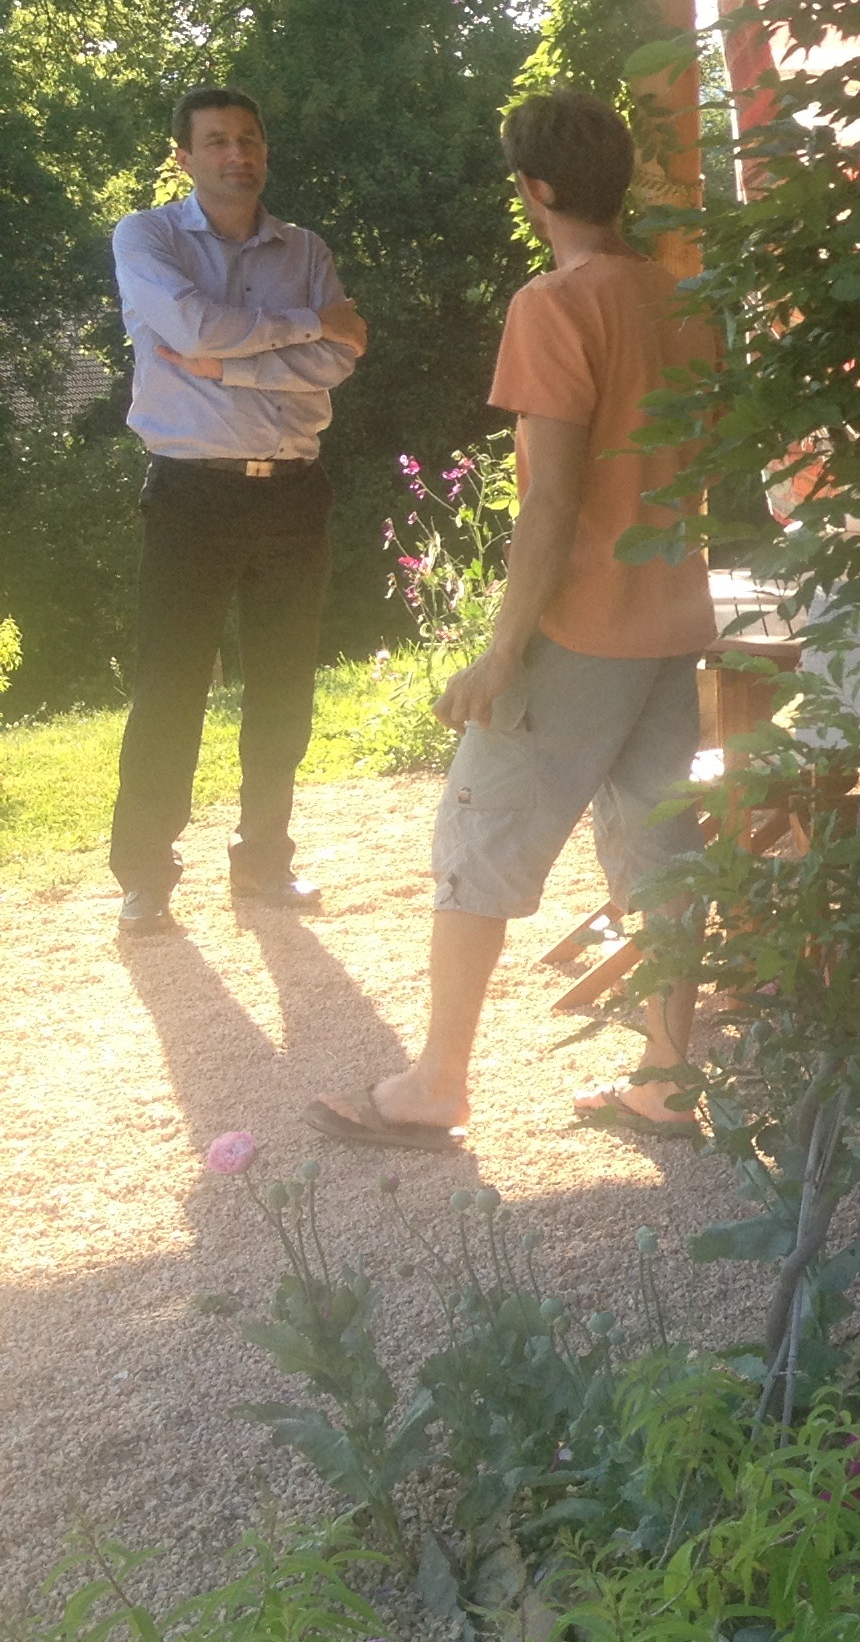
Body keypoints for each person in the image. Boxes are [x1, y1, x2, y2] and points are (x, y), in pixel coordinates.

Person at [310, 90, 715, 1150]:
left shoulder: (554, 304)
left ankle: (438, 1082)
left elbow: (551, 498)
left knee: (478, 839)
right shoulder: (681, 300)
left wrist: (500, 653)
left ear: (534, 190)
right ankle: (671, 1085)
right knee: (665, 850)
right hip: (674, 620)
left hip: (581, 628)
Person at [108, 85, 370, 935]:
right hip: (191, 494)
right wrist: (298, 324)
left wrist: (234, 365)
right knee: (170, 688)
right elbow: (189, 323)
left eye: (249, 138)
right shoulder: (146, 236)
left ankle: (264, 862)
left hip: (294, 491)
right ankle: (145, 877)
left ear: (265, 150)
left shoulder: (307, 247)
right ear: (183, 158)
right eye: (216, 141)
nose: (237, 154)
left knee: (285, 689)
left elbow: (336, 361)